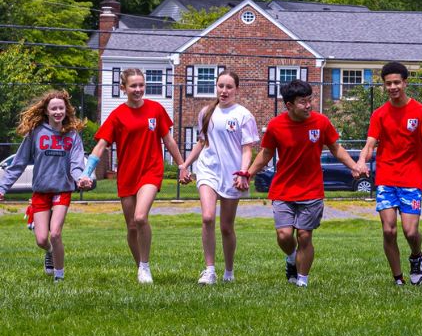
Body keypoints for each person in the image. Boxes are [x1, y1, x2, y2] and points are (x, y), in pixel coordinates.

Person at [243, 79, 365, 287]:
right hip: (283, 188)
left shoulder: (321, 122)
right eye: (303, 102)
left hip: (311, 189)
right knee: (284, 235)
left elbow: (335, 148)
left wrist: (354, 166)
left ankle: (302, 281)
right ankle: (292, 258)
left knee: (304, 236)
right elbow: (266, 153)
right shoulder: (276, 125)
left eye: (310, 100)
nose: (309, 105)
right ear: (289, 105)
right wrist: (249, 173)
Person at [85, 68, 184, 284]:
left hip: (151, 170)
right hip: (127, 174)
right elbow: (101, 146)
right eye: (133, 86)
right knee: (131, 226)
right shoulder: (117, 115)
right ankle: (141, 267)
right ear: (123, 88)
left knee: (140, 217)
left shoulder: (156, 109)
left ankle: (145, 266)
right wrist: (87, 172)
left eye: (141, 85)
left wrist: (181, 165)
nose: (138, 89)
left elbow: (168, 140)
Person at [177, 70, 260, 285]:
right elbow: (202, 142)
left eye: (229, 87)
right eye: (220, 86)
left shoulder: (244, 115)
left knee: (226, 227)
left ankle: (229, 272)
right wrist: (185, 165)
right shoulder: (206, 112)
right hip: (208, 170)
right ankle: (210, 270)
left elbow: (247, 149)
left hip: (232, 175)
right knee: (207, 217)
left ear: (236, 89)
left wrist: (243, 173)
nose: (224, 91)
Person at [0, 91, 92, 281]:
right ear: (47, 111)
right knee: (42, 239)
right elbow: (18, 163)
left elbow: (76, 164)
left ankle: (59, 276)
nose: (58, 112)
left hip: (62, 190)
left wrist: (80, 179)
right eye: (54, 108)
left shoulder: (72, 135)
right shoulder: (35, 133)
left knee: (55, 233)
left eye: (61, 108)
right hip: (41, 191)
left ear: (66, 110)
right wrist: (2, 187)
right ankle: (49, 252)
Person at [356, 62, 422, 286]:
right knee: (389, 230)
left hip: (412, 178)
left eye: (396, 82)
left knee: (410, 232)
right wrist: (361, 161)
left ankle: (416, 256)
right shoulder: (379, 114)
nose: (392, 87)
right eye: (388, 83)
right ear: (384, 85)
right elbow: (370, 144)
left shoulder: (421, 112)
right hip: (386, 178)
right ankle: (398, 278)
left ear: (405, 83)